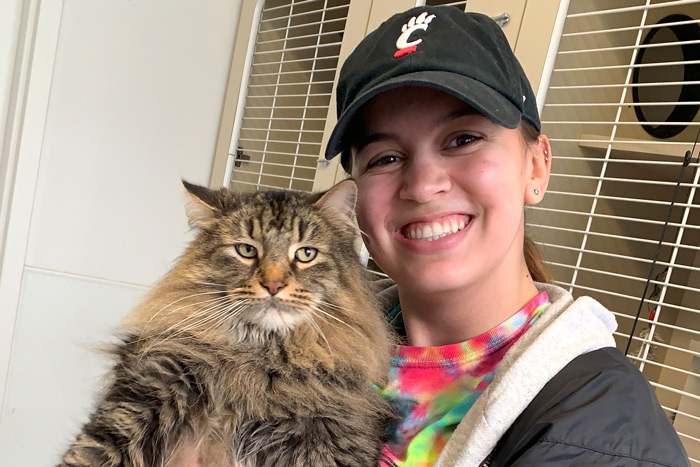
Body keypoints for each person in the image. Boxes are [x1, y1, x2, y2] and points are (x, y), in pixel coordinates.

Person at [323, 6, 690, 467]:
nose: (421, 185)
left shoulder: (602, 436)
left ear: (536, 166)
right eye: (384, 158)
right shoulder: (312, 333)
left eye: (462, 140)